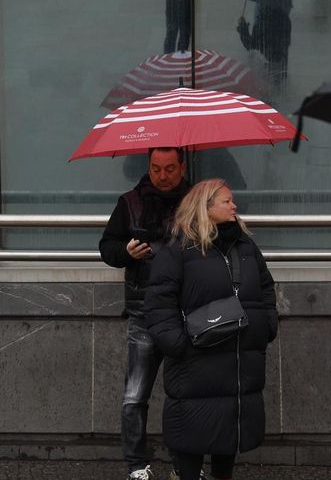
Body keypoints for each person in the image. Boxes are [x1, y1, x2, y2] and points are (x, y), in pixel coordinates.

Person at [144, 179, 278, 480]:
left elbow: (267, 288)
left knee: (228, 434)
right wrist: (178, 344)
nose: (235, 206)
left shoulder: (245, 245)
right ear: (205, 207)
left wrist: (267, 325)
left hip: (240, 358)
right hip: (196, 361)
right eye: (226, 201)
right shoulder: (179, 249)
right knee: (191, 435)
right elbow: (158, 304)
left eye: (232, 201)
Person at [100, 148, 193, 480]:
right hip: (144, 311)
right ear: (147, 167)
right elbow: (107, 247)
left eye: (169, 168)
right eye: (156, 168)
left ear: (182, 167)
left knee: (186, 394)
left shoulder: (196, 203)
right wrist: (126, 252)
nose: (162, 175)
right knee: (135, 394)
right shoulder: (130, 202)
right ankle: (137, 464)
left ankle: (186, 465)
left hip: (187, 310)